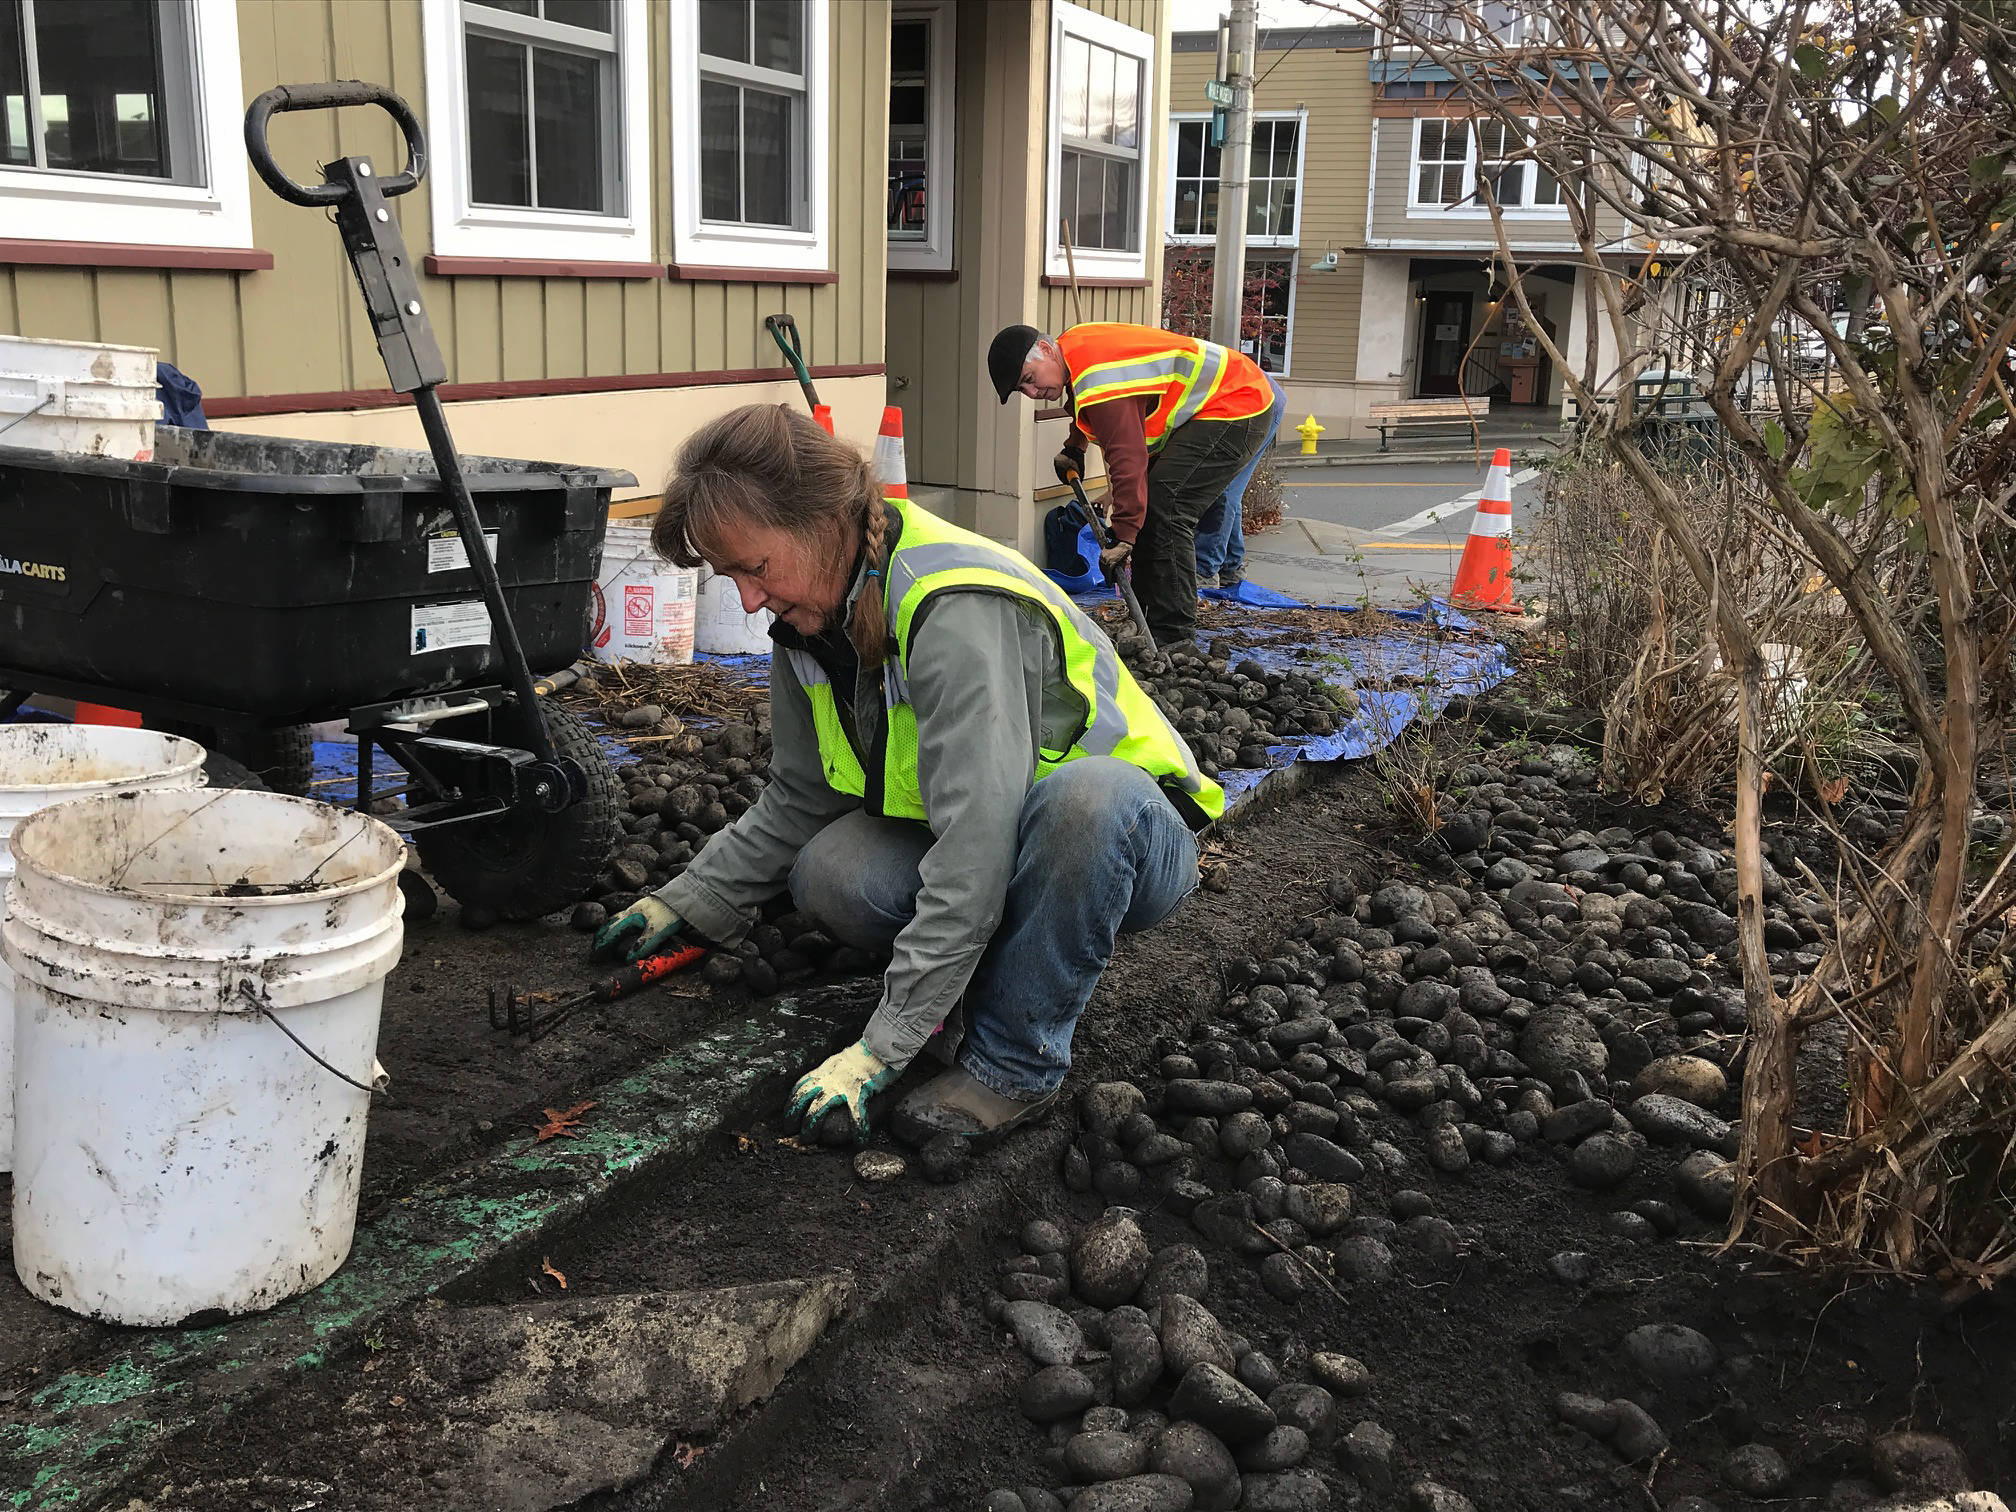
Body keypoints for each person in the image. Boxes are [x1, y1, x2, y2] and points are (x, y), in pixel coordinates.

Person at [594, 404, 1223, 1149]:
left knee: (1088, 798)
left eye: (754, 568)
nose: (748, 599)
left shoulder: (952, 608)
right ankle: (991, 966)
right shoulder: (813, 617)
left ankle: (1014, 1064)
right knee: (831, 871)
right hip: (1004, 837)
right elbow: (801, 794)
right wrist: (690, 902)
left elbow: (977, 846)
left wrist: (881, 1046)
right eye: (731, 577)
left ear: (823, 521)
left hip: (1123, 842)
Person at [988, 320, 1277, 646]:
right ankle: (1145, 618)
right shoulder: (1072, 351)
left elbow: (1127, 458)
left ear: (1044, 349)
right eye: (1021, 390)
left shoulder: (1099, 379)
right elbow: (1085, 401)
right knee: (1153, 508)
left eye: (1028, 379)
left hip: (1237, 400)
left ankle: (1174, 635)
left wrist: (1124, 536)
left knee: (1168, 506)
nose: (1032, 393)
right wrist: (1075, 447)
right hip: (1218, 399)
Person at [1193, 372, 1288, 592]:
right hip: (1253, 397)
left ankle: (1205, 570)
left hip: (1255, 403)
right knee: (1230, 490)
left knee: (1222, 488)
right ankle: (1230, 567)